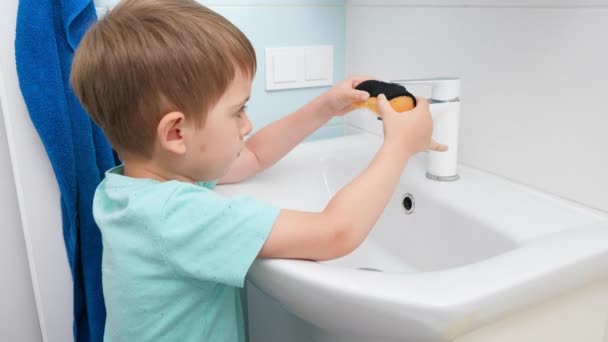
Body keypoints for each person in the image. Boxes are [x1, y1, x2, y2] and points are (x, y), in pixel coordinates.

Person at [70, 0, 447, 340]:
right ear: (176, 132)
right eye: (238, 111)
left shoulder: (132, 187)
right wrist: (399, 147)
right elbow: (337, 232)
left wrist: (324, 107)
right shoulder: (180, 216)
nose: (246, 124)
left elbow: (251, 157)